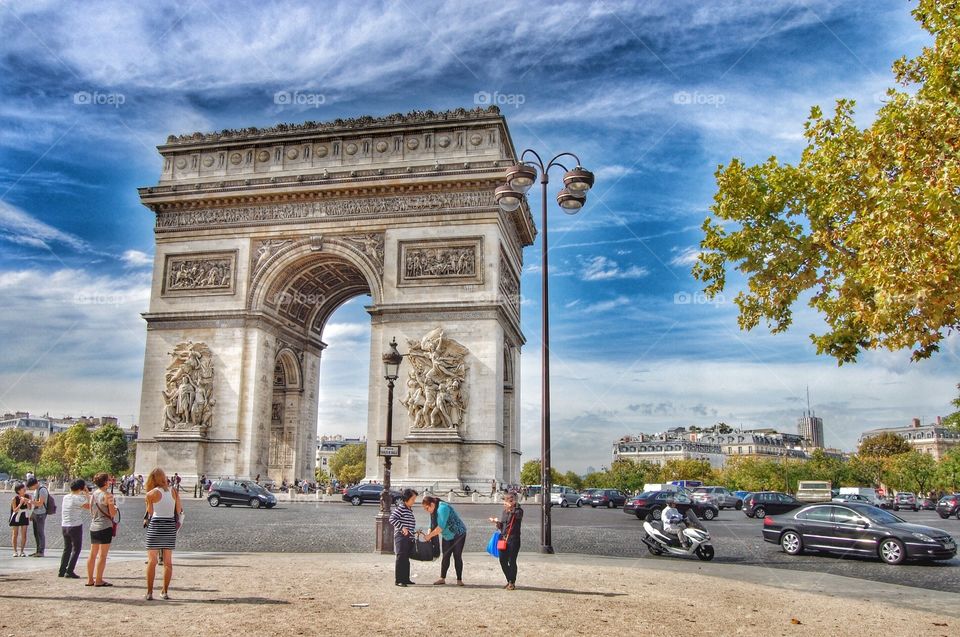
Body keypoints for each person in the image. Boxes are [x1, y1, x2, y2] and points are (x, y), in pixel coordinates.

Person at [144, 467, 182, 600]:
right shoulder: (174, 492)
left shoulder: (150, 494)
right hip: (169, 526)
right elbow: (179, 510)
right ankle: (164, 591)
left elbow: (149, 512)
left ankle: (149, 592)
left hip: (155, 526)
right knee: (168, 562)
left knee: (152, 561)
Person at [421, 495, 467, 586]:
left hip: (458, 533)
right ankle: (442, 578)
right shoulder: (433, 510)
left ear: (432, 504)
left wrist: (429, 536)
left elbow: (439, 528)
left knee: (457, 556)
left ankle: (459, 579)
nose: (427, 511)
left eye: (427, 508)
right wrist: (429, 532)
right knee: (445, 555)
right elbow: (432, 524)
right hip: (447, 535)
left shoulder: (442, 508)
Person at [87, 472, 117, 587]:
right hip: (105, 526)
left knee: (92, 554)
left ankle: (90, 579)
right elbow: (112, 513)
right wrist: (115, 507)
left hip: (94, 526)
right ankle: (99, 580)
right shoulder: (108, 495)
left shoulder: (94, 494)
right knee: (103, 555)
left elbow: (90, 510)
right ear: (105, 482)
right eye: (109, 480)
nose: (110, 481)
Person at [489, 491, 523, 590]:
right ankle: (509, 580)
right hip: (503, 538)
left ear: (512, 501)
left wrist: (512, 507)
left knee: (512, 561)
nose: (504, 502)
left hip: (514, 539)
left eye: (506, 500)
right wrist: (497, 523)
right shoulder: (504, 512)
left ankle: (512, 582)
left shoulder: (518, 511)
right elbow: (503, 527)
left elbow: (518, 516)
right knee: (502, 560)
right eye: (505, 500)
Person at [59, 479, 89, 578]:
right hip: (75, 526)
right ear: (81, 487)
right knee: (76, 549)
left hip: (64, 525)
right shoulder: (79, 498)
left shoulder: (65, 497)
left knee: (67, 548)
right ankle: (70, 571)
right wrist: (87, 493)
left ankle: (62, 570)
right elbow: (89, 506)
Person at [389, 488, 418, 587]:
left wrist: (413, 533)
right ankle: (399, 580)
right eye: (413, 499)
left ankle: (405, 579)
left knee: (406, 558)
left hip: (408, 537)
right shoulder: (401, 508)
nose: (414, 501)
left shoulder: (408, 509)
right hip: (401, 537)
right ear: (407, 498)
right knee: (401, 557)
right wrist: (402, 528)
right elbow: (392, 519)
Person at [25, 477, 48, 557]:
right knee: (36, 533)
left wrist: (28, 501)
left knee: (40, 532)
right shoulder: (36, 490)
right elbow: (35, 504)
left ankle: (41, 551)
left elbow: (40, 503)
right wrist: (32, 513)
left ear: (34, 484)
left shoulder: (42, 490)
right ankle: (38, 550)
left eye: (30, 487)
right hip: (36, 513)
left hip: (41, 513)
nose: (30, 489)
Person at [9, 483, 31, 557]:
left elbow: (30, 508)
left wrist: (27, 502)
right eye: (22, 488)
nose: (24, 489)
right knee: (15, 534)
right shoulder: (14, 499)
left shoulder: (28, 496)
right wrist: (20, 503)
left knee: (24, 534)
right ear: (18, 491)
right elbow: (14, 510)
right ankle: (15, 551)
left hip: (24, 515)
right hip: (16, 516)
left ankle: (22, 551)